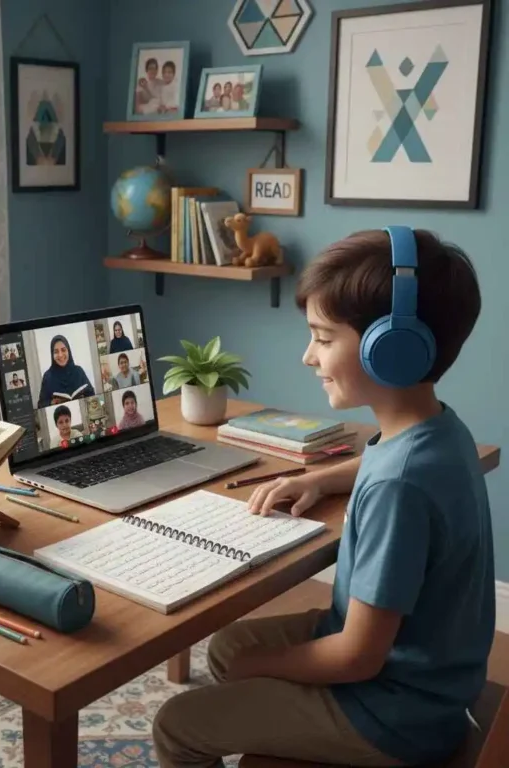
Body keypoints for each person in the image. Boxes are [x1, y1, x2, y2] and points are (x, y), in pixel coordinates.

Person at [152, 228, 494, 768]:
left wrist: (267, 668)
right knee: (228, 648)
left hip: (392, 715)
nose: (308, 356)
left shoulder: (398, 490)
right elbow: (385, 461)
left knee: (178, 723)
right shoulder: (439, 432)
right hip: (429, 680)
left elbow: (357, 656)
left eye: (324, 337)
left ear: (393, 350)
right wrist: (318, 480)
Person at [37, 334, 94, 408]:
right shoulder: (48, 377)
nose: (60, 355)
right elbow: (40, 404)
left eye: (63, 350)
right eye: (56, 352)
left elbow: (92, 394)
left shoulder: (79, 371)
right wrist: (51, 402)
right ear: (52, 354)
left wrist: (84, 399)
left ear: (69, 351)